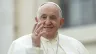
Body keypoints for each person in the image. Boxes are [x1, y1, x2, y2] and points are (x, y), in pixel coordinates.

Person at [8, 2, 89, 54]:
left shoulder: (76, 46)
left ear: (61, 22)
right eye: (43, 17)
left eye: (53, 17)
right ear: (37, 20)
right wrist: (35, 46)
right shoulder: (19, 44)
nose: (47, 22)